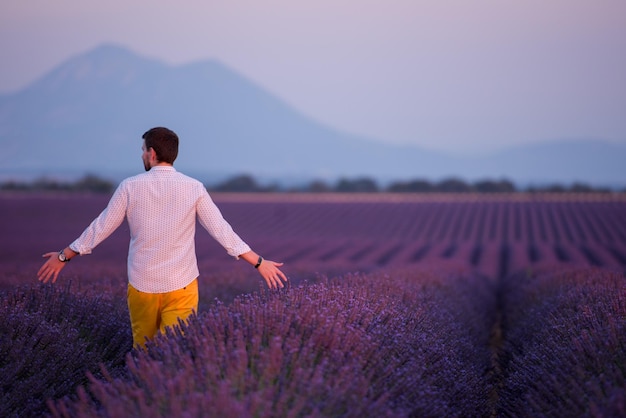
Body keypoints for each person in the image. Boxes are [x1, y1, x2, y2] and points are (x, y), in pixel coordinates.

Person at [37, 127, 288, 348]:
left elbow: (101, 227)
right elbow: (221, 230)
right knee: (175, 353)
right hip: (182, 285)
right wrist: (258, 262)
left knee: (144, 354)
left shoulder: (129, 186)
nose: (142, 155)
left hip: (141, 285)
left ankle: (140, 397)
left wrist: (64, 256)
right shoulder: (193, 187)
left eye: (143, 150)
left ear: (152, 153)